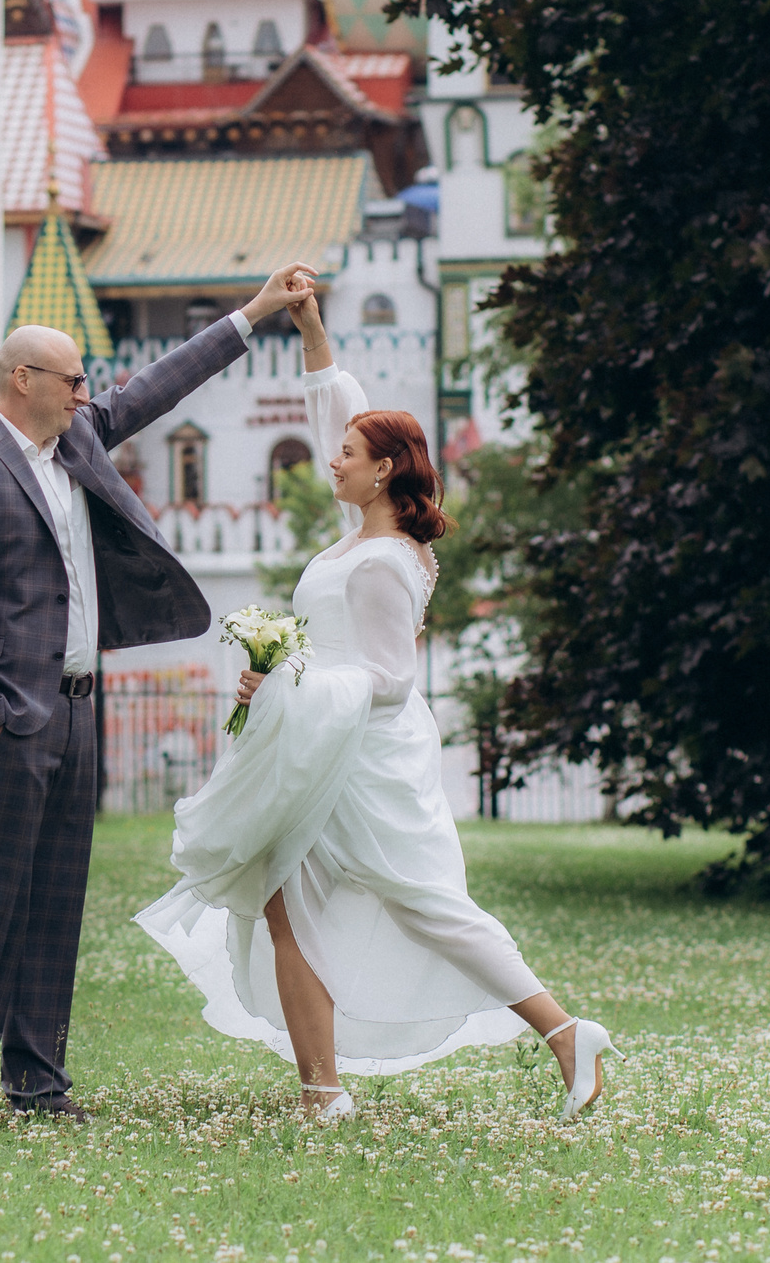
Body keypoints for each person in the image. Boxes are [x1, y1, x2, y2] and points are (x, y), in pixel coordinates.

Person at [135, 274, 614, 1121]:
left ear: (384, 469)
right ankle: (321, 1091)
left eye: (350, 455)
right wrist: (309, 324)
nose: (333, 460)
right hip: (318, 753)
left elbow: (392, 681)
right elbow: (334, 409)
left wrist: (286, 678)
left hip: (364, 761)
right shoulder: (356, 534)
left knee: (430, 906)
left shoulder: (388, 562)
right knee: (282, 901)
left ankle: (564, 1030)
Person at [0, 262, 324, 1123]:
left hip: (79, 706)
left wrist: (255, 312)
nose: (86, 391)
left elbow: (162, 383)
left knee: (58, 901)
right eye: (72, 378)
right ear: (21, 379)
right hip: (14, 722)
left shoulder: (79, 438)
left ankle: (38, 1083)